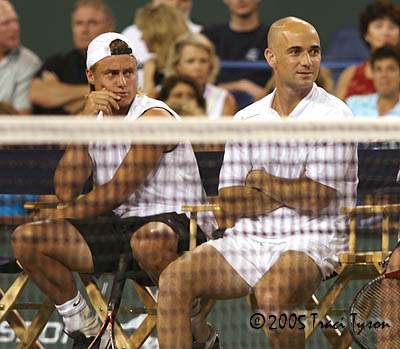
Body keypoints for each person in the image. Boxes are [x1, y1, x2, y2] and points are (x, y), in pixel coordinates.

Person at [157, 17, 358, 349]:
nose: (307, 61)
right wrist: (294, 189)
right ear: (271, 58)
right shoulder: (246, 119)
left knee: (272, 294)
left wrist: (262, 181)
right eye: (295, 51)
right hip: (247, 239)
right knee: (173, 281)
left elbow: (318, 198)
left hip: (312, 239)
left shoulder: (335, 116)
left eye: (314, 52)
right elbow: (231, 203)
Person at [11, 32, 217, 348]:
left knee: (148, 239)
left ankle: (196, 329)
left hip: (180, 231)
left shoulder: (155, 118)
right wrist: (82, 125)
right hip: (122, 230)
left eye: (128, 73)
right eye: (112, 74)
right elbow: (66, 189)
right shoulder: (92, 119)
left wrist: (63, 216)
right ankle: (87, 329)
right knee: (30, 239)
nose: (122, 82)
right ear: (91, 77)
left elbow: (117, 190)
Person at [29, 0, 115, 115]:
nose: (84, 30)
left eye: (92, 23)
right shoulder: (57, 62)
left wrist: (59, 92)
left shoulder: (117, 64)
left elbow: (113, 102)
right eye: (79, 23)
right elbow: (36, 93)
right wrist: (93, 94)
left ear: (110, 26)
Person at [201, 0, 270, 103]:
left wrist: (267, 95)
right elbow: (198, 83)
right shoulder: (209, 35)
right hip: (214, 108)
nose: (240, 1)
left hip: (265, 108)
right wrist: (239, 86)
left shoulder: (272, 36)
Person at [336, 0, 400, 101]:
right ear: (367, 35)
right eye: (379, 26)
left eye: (392, 27)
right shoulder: (350, 74)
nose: (386, 32)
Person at [165, 32, 237, 117]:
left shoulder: (224, 100)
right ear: (176, 64)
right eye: (190, 61)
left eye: (203, 61)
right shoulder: (155, 96)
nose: (198, 67)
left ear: (211, 65)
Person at [135, 3, 190, 94]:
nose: (142, 38)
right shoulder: (151, 65)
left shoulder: (190, 63)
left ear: (158, 33)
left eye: (144, 31)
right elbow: (147, 104)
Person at [0, 0, 41, 114]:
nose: (15, 28)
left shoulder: (29, 63)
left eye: (16, 21)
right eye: (6, 23)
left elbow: (22, 119)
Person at [346, 45, 400, 117]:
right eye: (378, 69)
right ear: (373, 74)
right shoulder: (353, 104)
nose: (384, 75)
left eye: (390, 69)